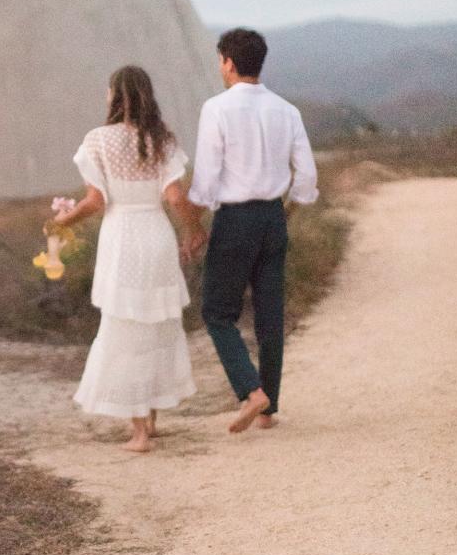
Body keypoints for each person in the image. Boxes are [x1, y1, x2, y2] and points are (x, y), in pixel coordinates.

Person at [54, 66, 204, 453]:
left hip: (121, 238)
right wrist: (194, 231)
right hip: (155, 235)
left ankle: (138, 433)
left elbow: (96, 201)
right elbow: (174, 198)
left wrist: (61, 221)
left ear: (114, 96)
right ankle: (150, 421)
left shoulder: (98, 140)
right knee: (156, 327)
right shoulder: (163, 140)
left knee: (124, 329)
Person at [188, 28, 319, 433]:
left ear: (228, 61)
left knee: (217, 311)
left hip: (236, 218)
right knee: (270, 313)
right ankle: (269, 408)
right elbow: (308, 174)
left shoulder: (217, 108)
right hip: (272, 217)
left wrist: (195, 219)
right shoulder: (287, 110)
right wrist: (289, 208)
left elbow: (207, 177)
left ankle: (251, 390)